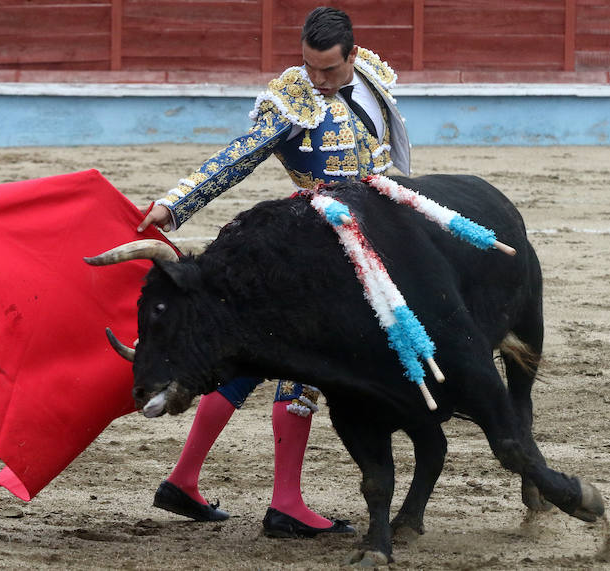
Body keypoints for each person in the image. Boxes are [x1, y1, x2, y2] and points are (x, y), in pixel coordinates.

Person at [137, 6, 410, 538]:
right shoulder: (293, 101)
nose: (317, 79)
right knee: (303, 366)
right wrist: (175, 204)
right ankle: (285, 503)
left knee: (246, 363)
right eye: (309, 66)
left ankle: (183, 479)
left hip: (359, 238)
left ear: (352, 56)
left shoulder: (372, 78)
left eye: (328, 70)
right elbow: (238, 156)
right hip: (311, 248)